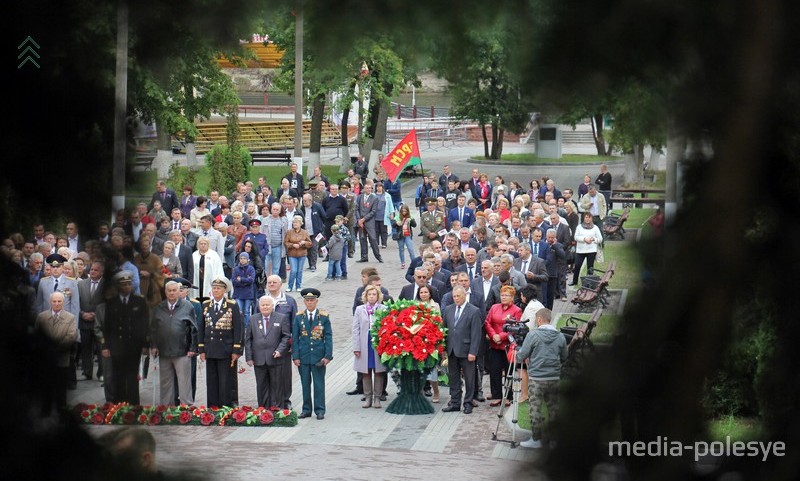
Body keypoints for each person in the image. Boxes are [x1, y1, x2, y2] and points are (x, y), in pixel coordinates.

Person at [515, 307, 568, 448]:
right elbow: (564, 357)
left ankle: (536, 439)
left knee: (535, 409)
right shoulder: (560, 336)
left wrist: (517, 352)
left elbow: (521, 356)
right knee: (554, 409)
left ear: (539, 320)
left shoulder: (532, 335)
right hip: (554, 377)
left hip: (537, 378)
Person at [98, 271, 150, 404]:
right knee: (118, 376)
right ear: (118, 287)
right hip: (117, 346)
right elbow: (107, 327)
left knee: (132, 377)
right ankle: (118, 405)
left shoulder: (139, 301)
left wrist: (145, 344)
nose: (127, 287)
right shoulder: (111, 303)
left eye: (129, 284)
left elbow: (145, 324)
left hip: (134, 346)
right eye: (124, 285)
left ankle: (133, 405)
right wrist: (105, 346)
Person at [150, 280, 197, 405]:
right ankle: (166, 409)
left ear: (178, 291)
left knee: (184, 383)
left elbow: (193, 328)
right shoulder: (159, 308)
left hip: (182, 351)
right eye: (169, 291)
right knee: (165, 383)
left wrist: (192, 348)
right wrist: (154, 346)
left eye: (174, 290)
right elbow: (153, 329)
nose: (172, 293)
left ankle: (186, 408)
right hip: (164, 352)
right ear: (165, 292)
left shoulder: (187, 306)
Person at [198, 277, 243, 408]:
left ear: (224, 290)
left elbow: (238, 329)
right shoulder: (206, 305)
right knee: (211, 380)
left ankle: (225, 406)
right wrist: (201, 349)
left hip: (226, 349)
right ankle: (212, 407)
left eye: (218, 288)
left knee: (225, 381)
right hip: (210, 349)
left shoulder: (232, 305)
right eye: (214, 288)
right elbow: (201, 328)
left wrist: (236, 350)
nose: (215, 290)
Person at [292, 288, 333, 419]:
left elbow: (328, 337)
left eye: (312, 300)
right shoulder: (299, 317)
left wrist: (327, 356)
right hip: (303, 356)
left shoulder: (324, 317)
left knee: (319, 384)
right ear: (304, 302)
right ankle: (306, 409)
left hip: (318, 356)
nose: (310, 303)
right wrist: (296, 356)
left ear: (316, 301)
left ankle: (320, 410)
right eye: (307, 300)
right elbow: (295, 338)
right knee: (305, 384)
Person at [441, 286, 482, 414]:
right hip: (452, 349)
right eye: (454, 296)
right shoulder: (448, 309)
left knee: (469, 378)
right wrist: (443, 349)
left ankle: (468, 402)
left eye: (458, 296)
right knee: (453, 378)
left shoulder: (474, 311)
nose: (456, 298)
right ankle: (455, 402)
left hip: (467, 350)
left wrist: (473, 352)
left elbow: (476, 334)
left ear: (464, 295)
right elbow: (445, 330)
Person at [35, 291, 78, 412]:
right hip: (45, 359)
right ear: (50, 302)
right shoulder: (41, 317)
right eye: (54, 301)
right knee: (46, 386)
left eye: (59, 301)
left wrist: (56, 348)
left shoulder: (70, 317)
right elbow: (36, 335)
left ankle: (61, 410)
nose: (57, 303)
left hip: (62, 359)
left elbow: (71, 336)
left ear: (63, 302)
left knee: (61, 388)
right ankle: (45, 410)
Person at [246, 296, 291, 408]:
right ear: (259, 307)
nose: (265, 307)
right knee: (261, 385)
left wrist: (280, 350)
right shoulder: (253, 319)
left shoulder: (281, 318)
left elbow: (286, 336)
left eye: (267, 305)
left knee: (277, 385)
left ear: (272, 306)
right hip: (259, 358)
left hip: (275, 358)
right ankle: (263, 410)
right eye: (263, 305)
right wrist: (249, 357)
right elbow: (248, 339)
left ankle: (277, 409)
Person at [485, 285, 522, 407]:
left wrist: (501, 336)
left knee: (509, 371)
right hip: (494, 344)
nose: (503, 297)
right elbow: (487, 322)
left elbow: (515, 327)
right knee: (494, 371)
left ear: (512, 297)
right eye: (502, 295)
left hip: (507, 346)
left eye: (506, 295)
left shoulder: (516, 310)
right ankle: (496, 396)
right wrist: (493, 335)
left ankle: (508, 396)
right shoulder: (494, 307)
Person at [352, 285, 386, 409]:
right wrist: (356, 347)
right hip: (364, 342)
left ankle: (377, 397)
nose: (371, 297)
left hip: (377, 343)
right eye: (369, 294)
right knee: (365, 372)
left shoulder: (383, 308)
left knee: (378, 371)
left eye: (374, 294)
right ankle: (367, 397)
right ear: (365, 296)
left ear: (378, 296)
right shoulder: (359, 309)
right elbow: (355, 329)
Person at [77, 261, 105, 381]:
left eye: (96, 270)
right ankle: (86, 372)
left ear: (102, 272)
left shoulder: (106, 285)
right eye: (91, 269)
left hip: (99, 323)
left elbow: (107, 304)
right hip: (84, 321)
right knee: (86, 348)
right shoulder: (81, 284)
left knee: (100, 348)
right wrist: (82, 313)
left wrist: (96, 315)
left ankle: (102, 373)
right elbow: (76, 301)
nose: (92, 271)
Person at [570, 212, 603, 286]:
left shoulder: (595, 228)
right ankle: (574, 281)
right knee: (577, 265)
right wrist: (584, 239)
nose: (587, 219)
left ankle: (589, 283)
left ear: (591, 218)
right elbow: (576, 237)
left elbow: (600, 239)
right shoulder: (579, 227)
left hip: (591, 250)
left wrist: (593, 239)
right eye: (586, 217)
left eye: (589, 217)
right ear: (584, 218)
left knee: (590, 267)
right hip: (580, 250)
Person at [355, 181, 383, 263]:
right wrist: (359, 219)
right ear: (364, 189)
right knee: (362, 239)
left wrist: (364, 219)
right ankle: (364, 256)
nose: (368, 189)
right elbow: (356, 208)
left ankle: (378, 256)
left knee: (373, 239)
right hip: (360, 221)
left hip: (369, 221)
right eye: (367, 188)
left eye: (370, 188)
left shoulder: (374, 198)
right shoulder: (360, 197)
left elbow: (373, 211)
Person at [191, 236, 225, 302]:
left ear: (208, 244)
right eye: (201, 244)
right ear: (198, 245)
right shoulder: (194, 255)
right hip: (197, 281)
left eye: (205, 244)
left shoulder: (214, 255)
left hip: (209, 282)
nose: (203, 245)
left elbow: (218, 269)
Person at [298, 193, 326, 272]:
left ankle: (313, 265)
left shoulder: (317, 207)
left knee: (314, 247)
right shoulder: (302, 208)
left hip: (316, 232)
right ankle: (310, 264)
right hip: (306, 232)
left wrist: (322, 228)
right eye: (303, 200)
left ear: (310, 200)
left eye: (305, 201)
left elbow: (324, 217)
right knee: (308, 249)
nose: (304, 202)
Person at [284, 215, 312, 292]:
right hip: (292, 254)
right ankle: (290, 286)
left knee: (299, 271)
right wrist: (293, 245)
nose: (295, 224)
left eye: (296, 222)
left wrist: (304, 242)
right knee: (293, 271)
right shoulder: (289, 232)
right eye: (293, 222)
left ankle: (298, 286)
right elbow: (286, 242)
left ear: (300, 223)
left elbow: (310, 243)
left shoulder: (305, 232)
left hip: (302, 254)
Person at [231, 252, 256, 320]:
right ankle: (240, 327)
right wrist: (246, 281)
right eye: (241, 258)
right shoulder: (236, 269)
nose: (242, 260)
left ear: (248, 259)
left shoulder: (251, 269)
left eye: (244, 258)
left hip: (248, 294)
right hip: (238, 294)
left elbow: (251, 280)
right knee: (239, 311)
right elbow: (234, 281)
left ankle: (246, 328)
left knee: (247, 312)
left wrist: (241, 279)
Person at [393, 204, 417, 269]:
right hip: (400, 235)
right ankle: (402, 262)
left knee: (410, 249)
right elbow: (393, 225)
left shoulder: (410, 217)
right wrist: (396, 223)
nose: (404, 213)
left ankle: (414, 262)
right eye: (403, 211)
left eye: (405, 211)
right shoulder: (397, 217)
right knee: (401, 249)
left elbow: (414, 225)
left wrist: (411, 220)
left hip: (408, 235)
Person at [374, 181, 394, 249]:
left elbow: (391, 205)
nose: (379, 188)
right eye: (377, 187)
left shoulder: (387, 195)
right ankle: (376, 243)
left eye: (380, 187)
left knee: (383, 230)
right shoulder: (373, 195)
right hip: (375, 216)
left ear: (382, 187)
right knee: (376, 230)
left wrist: (391, 213)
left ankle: (384, 243)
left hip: (384, 216)